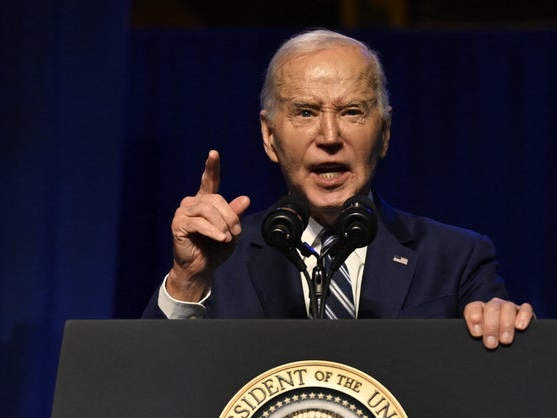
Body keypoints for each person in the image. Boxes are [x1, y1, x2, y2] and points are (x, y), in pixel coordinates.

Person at [142, 29, 535, 350]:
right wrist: (188, 280)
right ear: (269, 135)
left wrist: (503, 329)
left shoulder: (455, 258)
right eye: (306, 112)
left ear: (383, 134)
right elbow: (145, 392)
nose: (329, 136)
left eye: (352, 112)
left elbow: (496, 390)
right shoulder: (220, 261)